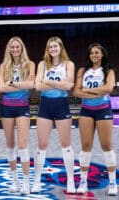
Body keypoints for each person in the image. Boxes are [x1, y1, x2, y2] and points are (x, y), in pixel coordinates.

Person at [31, 36, 76, 193]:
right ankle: (36, 181)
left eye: (55, 46)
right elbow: (37, 86)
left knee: (66, 144)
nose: (53, 49)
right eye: (50, 47)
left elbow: (69, 85)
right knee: (42, 144)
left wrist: (48, 82)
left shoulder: (69, 64)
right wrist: (59, 84)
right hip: (45, 106)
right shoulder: (42, 64)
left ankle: (71, 181)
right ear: (47, 49)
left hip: (61, 105)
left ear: (61, 47)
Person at [72, 43, 117, 196]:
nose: (94, 55)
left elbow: (108, 88)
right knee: (85, 145)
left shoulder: (109, 71)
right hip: (86, 110)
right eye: (92, 53)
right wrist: (97, 92)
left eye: (97, 53)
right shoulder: (82, 71)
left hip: (103, 109)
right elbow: (76, 92)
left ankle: (112, 182)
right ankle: (83, 181)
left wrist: (88, 90)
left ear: (102, 54)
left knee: (106, 145)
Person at [0, 36, 35, 195]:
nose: (15, 49)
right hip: (6, 108)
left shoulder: (29, 64)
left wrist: (11, 84)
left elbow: (31, 85)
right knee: (10, 145)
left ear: (22, 48)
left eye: (17, 47)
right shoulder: (3, 66)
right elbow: (1, 88)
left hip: (22, 108)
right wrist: (20, 85)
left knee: (22, 145)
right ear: (9, 49)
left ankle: (26, 182)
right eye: (12, 47)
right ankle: (15, 181)